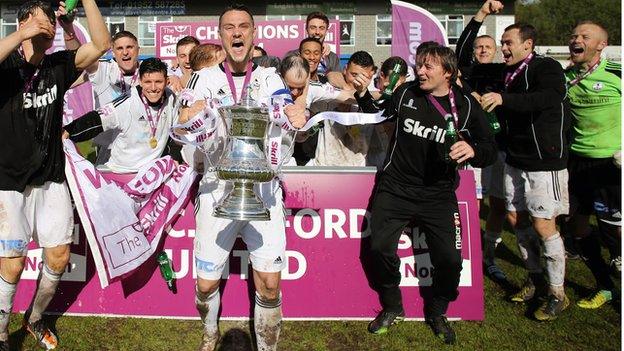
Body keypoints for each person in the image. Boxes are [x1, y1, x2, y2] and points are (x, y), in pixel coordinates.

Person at [177, 5, 305, 351]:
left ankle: (267, 348)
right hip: (217, 190)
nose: (237, 33)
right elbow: (184, 123)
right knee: (204, 285)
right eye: (229, 27)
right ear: (220, 36)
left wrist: (297, 115)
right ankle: (209, 335)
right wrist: (186, 116)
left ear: (253, 35)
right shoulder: (203, 78)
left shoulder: (270, 78)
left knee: (269, 284)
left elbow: (289, 124)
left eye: (244, 27)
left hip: (262, 193)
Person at [355, 46, 496, 344]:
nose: (420, 71)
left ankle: (437, 309)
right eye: (419, 65)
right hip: (395, 188)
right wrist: (363, 94)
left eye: (428, 66)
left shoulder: (467, 106)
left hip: (439, 194)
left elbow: (489, 148)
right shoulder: (406, 93)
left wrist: (472, 149)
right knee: (379, 248)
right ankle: (392, 305)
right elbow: (377, 115)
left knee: (450, 260)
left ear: (447, 72)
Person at [0, 0, 110, 349]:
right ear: (24, 22)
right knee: (13, 266)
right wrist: (22, 33)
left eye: (48, 19)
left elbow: (101, 45)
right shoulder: (7, 66)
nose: (45, 25)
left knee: (59, 257)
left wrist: (83, 8)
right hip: (9, 183)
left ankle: (34, 318)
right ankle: (1, 331)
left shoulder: (57, 66)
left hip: (51, 178)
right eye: (40, 19)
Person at [479, 23, 571, 320]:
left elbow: (548, 97)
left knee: (544, 224)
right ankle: (534, 278)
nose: (503, 48)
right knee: (515, 217)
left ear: (528, 44)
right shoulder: (505, 72)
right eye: (502, 43)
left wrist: (504, 99)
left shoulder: (547, 67)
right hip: (514, 158)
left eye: (508, 43)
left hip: (545, 161)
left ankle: (558, 293)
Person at [565, 21, 621, 309]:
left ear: (601, 45)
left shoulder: (617, 73)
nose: (577, 40)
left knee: (613, 232)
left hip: (612, 164)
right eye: (574, 36)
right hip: (578, 162)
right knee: (576, 226)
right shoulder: (567, 77)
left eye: (585, 37)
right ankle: (605, 286)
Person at [455, 0, 510, 282]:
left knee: (499, 205)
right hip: (474, 148)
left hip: (501, 148)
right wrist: (481, 15)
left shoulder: (504, 72)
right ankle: (469, 252)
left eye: (488, 46)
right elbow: (461, 47)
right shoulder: (470, 72)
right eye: (479, 47)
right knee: (473, 203)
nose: (483, 50)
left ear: (497, 50)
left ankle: (489, 255)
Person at [63, 58, 178, 173]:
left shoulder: (172, 98)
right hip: (122, 172)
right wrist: (68, 131)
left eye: (158, 82)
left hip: (152, 173)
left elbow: (177, 130)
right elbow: (95, 120)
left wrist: (175, 156)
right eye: (148, 82)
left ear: (166, 81)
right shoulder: (127, 103)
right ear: (140, 81)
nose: (153, 88)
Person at [284, 12, 346, 88]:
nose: (317, 32)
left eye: (321, 28)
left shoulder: (332, 57)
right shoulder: (292, 55)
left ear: (326, 31)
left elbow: (338, 82)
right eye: (313, 28)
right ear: (307, 29)